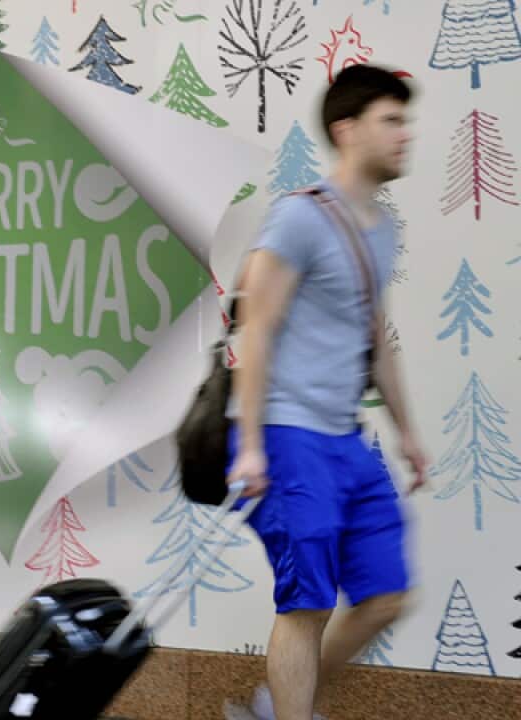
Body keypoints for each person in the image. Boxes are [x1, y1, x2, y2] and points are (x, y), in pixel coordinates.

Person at [223, 64, 428, 720]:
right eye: (391, 120)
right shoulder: (299, 218)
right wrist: (252, 444)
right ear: (347, 130)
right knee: (306, 602)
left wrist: (409, 434)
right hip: (287, 434)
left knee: (386, 596)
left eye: (405, 120)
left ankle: (274, 706)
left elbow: (377, 340)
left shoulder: (381, 227)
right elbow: (257, 331)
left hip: (345, 439)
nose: (405, 134)